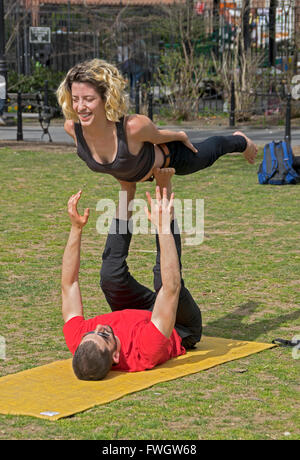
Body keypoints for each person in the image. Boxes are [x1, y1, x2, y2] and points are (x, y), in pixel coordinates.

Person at [62, 168, 202, 380]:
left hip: (141, 314)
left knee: (110, 277)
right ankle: (164, 185)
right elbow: (171, 289)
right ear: (116, 356)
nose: (99, 327)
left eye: (91, 333)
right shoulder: (146, 349)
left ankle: (127, 188)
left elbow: (69, 285)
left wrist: (76, 229)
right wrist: (163, 227)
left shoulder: (81, 341)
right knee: (161, 280)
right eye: (104, 335)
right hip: (178, 326)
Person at [56, 59, 258, 185]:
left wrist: (180, 136)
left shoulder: (134, 126)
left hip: (173, 157)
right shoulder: (72, 128)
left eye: (88, 99)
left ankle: (240, 141)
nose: (80, 106)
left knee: (211, 150)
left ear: (106, 98)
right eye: (75, 99)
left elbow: (159, 136)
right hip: (134, 173)